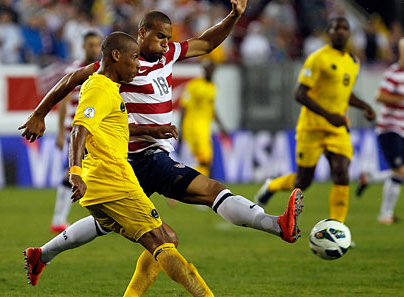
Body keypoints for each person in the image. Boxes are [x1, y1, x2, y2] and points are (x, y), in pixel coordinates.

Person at [20, 1, 304, 287]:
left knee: (105, 224)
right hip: (144, 157)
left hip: (139, 162)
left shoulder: (167, 55)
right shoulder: (123, 65)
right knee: (211, 193)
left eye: (169, 38)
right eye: (160, 37)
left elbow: (205, 43)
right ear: (142, 33)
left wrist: (234, 16)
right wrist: (39, 113)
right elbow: (71, 79)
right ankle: (277, 225)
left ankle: (41, 255)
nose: (167, 43)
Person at [25, 32, 214, 296]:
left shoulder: (107, 88)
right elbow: (80, 129)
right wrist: (75, 172)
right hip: (114, 181)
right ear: (116, 55)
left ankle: (43, 254)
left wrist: (153, 129)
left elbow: (114, 130)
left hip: (100, 187)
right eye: (135, 57)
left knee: (165, 239)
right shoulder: (101, 89)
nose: (138, 65)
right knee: (164, 243)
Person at [254, 17, 376, 223]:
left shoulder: (353, 62)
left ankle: (337, 228)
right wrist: (329, 116)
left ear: (349, 33)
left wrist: (365, 106)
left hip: (338, 129)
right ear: (329, 32)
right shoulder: (318, 58)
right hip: (312, 128)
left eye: (345, 28)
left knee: (341, 173)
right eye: (337, 27)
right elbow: (299, 93)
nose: (341, 31)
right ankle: (272, 186)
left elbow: (343, 93)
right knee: (303, 182)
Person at [50, 31, 102, 233]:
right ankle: (59, 219)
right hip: (77, 131)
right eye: (91, 45)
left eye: (97, 44)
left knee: (80, 173)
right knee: (74, 173)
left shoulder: (101, 70)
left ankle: (60, 219)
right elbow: (63, 102)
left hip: (95, 132)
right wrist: (61, 133)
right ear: (83, 47)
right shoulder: (75, 70)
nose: (94, 48)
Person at [373, 37, 404, 225]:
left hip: (402, 129)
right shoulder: (394, 72)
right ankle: (385, 215)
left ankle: (369, 178)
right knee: (400, 171)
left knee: (398, 172)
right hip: (389, 128)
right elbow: (380, 95)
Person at [179, 59, 227, 177]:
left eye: (213, 68)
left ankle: (193, 184)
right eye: (209, 68)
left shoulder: (213, 87)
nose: (211, 70)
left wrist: (222, 127)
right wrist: (180, 130)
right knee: (204, 159)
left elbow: (211, 109)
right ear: (205, 70)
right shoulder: (194, 85)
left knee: (205, 160)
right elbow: (184, 107)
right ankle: (190, 184)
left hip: (205, 127)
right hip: (193, 127)